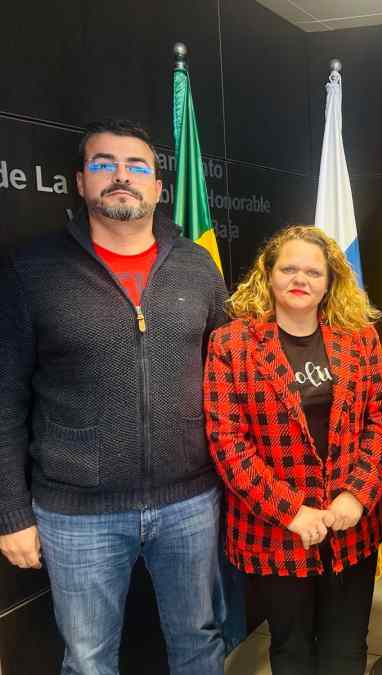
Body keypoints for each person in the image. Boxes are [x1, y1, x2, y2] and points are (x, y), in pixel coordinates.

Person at [0, 119, 228, 674]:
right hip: (77, 512)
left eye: (136, 166)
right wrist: (11, 512)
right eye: (104, 164)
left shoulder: (197, 266)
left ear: (157, 186)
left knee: (199, 642)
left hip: (190, 502)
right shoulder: (32, 269)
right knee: (87, 658)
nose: (121, 176)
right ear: (81, 182)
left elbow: (229, 376)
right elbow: (6, 400)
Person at [204, 225, 382, 675]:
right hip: (275, 532)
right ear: (268, 274)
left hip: (350, 526)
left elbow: (381, 420)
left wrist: (356, 495)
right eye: (289, 269)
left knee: (346, 648)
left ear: (330, 282)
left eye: (313, 272)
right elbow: (228, 442)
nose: (300, 279)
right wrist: (291, 512)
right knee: (291, 651)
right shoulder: (231, 343)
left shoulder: (359, 338)